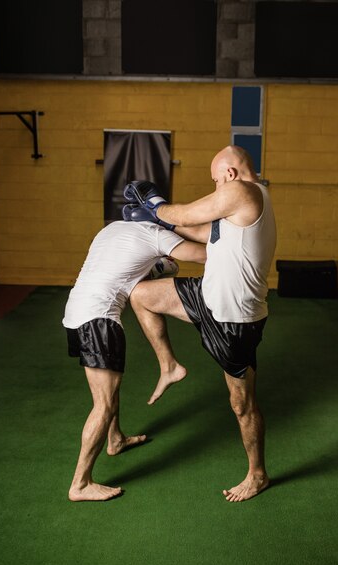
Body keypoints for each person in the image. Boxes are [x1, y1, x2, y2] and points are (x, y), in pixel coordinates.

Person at [123, 145, 277, 503]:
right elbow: (206, 232)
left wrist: (154, 203)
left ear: (231, 174)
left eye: (215, 180)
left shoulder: (244, 192)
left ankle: (258, 474)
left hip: (234, 317)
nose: (216, 186)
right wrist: (162, 222)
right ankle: (169, 366)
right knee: (142, 295)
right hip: (206, 295)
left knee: (241, 404)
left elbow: (188, 213)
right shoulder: (240, 205)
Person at [62, 220, 206, 502]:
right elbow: (202, 255)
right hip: (99, 318)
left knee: (110, 389)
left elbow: (124, 269)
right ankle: (80, 484)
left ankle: (115, 440)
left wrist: (158, 266)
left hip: (75, 312)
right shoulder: (155, 233)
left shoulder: (111, 228)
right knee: (102, 404)